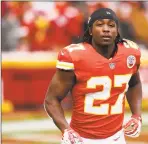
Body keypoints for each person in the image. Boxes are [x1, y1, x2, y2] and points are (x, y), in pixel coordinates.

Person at [44, 8, 142, 144]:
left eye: (111, 25)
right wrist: (66, 129)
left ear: (117, 30)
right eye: (100, 24)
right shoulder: (75, 56)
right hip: (80, 139)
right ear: (90, 30)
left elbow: (134, 83)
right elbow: (51, 99)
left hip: (116, 137)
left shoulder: (130, 53)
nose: (106, 29)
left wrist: (136, 115)